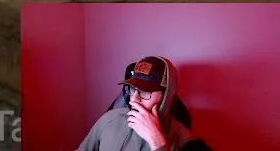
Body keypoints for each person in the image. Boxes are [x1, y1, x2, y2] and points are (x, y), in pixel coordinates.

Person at [76, 55, 205, 150]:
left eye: (145, 92)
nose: (133, 99)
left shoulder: (184, 141)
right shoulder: (110, 119)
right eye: (133, 89)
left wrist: (157, 141)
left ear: (166, 96)